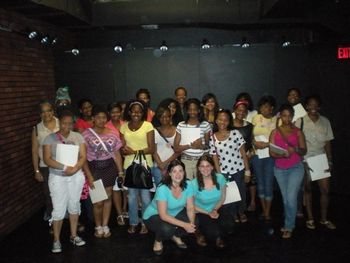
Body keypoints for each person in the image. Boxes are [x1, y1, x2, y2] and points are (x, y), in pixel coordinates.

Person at [43, 109, 86, 253]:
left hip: (75, 176)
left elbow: (83, 156)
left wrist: (74, 169)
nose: (67, 126)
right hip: (57, 177)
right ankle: (56, 240)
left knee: (74, 205)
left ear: (73, 123)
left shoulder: (78, 137)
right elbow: (47, 159)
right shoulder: (50, 138)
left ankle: (74, 235)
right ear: (59, 122)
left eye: (70, 123)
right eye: (64, 123)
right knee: (59, 209)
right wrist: (66, 167)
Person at [83, 105, 124, 238]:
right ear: (93, 118)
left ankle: (105, 225)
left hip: (110, 167)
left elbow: (117, 154)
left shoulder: (113, 132)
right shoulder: (86, 134)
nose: (101, 120)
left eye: (103, 117)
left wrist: (120, 171)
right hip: (94, 168)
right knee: (98, 201)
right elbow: (82, 157)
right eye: (98, 117)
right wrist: (88, 175)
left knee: (108, 197)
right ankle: (98, 226)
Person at [296, 95, 336, 230]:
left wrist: (329, 160)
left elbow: (327, 142)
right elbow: (295, 142)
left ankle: (324, 219)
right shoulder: (300, 121)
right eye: (310, 105)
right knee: (307, 190)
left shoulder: (325, 121)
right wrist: (300, 160)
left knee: (325, 191)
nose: (313, 107)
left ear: (319, 107)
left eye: (315, 105)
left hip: (320, 158)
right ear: (306, 106)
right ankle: (310, 218)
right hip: (305, 158)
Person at [143, 160, 196, 255]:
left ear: (184, 172)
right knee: (167, 229)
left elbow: (190, 208)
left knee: (195, 222)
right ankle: (158, 240)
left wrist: (191, 224)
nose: (178, 174)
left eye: (180, 171)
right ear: (170, 174)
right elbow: (163, 216)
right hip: (155, 214)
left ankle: (175, 235)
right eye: (174, 171)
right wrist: (184, 225)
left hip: (174, 213)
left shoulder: (188, 185)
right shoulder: (162, 188)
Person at [269, 104, 306, 239]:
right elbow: (272, 153)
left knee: (290, 197)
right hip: (279, 169)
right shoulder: (275, 132)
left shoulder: (298, 132)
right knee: (286, 200)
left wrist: (294, 149)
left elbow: (304, 150)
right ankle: (288, 223)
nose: (287, 118)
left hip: (296, 167)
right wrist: (282, 155)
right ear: (280, 116)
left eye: (289, 115)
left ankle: (289, 226)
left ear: (292, 116)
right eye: (284, 115)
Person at [120, 100, 155, 234]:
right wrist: (123, 149)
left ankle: (146, 223)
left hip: (145, 165)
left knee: (146, 197)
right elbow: (122, 146)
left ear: (143, 113)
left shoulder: (148, 126)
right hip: (129, 166)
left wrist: (134, 152)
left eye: (139, 111)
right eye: (133, 111)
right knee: (132, 197)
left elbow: (151, 149)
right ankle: (134, 222)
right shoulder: (124, 127)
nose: (136, 113)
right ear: (129, 112)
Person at [210, 109, 251, 223]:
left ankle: (241, 212)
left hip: (239, 169)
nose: (223, 122)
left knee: (241, 192)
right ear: (216, 121)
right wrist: (219, 175)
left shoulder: (235, 133)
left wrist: (247, 171)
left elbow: (243, 152)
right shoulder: (213, 137)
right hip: (224, 171)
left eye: (226, 120)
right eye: (220, 119)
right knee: (229, 195)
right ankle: (233, 214)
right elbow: (215, 157)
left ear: (229, 121)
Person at [192, 155, 230, 248]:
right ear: (198, 168)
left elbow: (223, 197)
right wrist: (208, 213)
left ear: (212, 167)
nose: (205, 169)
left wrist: (215, 210)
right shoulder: (193, 183)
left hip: (216, 207)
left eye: (208, 165)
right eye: (202, 166)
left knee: (230, 225)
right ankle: (200, 231)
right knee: (213, 233)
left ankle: (217, 233)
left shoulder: (220, 178)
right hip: (201, 211)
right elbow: (190, 205)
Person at [31, 100, 59, 223]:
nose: (46, 114)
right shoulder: (37, 129)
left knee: (67, 192)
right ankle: (52, 219)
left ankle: (70, 218)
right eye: (43, 112)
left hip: (63, 165)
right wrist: (36, 170)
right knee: (49, 194)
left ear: (53, 111)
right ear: (39, 114)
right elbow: (34, 151)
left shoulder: (61, 123)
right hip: (46, 167)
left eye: (48, 110)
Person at [251, 95, 277, 222]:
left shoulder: (277, 120)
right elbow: (249, 134)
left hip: (271, 156)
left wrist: (266, 144)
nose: (264, 109)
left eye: (267, 106)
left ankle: (267, 212)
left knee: (269, 183)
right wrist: (255, 143)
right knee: (260, 183)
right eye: (262, 106)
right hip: (257, 155)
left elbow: (280, 139)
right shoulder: (256, 118)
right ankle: (263, 208)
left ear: (272, 108)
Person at [174, 98, 211, 180]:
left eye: (195, 109)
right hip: (186, 161)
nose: (192, 112)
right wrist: (191, 145)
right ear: (187, 111)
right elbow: (176, 148)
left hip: (202, 162)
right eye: (190, 109)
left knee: (201, 187)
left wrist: (201, 146)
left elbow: (208, 147)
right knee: (188, 187)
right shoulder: (181, 125)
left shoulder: (205, 125)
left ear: (198, 110)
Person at [232, 100, 256, 212]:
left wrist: (251, 152)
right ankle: (234, 211)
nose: (241, 112)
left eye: (244, 111)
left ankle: (242, 210)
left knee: (243, 187)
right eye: (239, 110)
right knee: (233, 187)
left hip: (246, 160)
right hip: (231, 161)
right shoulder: (228, 124)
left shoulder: (250, 126)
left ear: (246, 113)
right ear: (235, 110)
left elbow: (252, 143)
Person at [106, 102, 128, 226]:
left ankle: (125, 209)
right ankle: (119, 213)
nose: (115, 114)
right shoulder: (105, 126)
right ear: (109, 113)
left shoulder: (125, 125)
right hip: (112, 161)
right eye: (113, 112)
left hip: (127, 159)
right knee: (116, 188)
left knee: (126, 187)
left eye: (117, 111)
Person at [152, 107, 179, 185]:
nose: (165, 119)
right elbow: (154, 150)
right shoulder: (154, 131)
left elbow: (179, 150)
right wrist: (160, 164)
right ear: (158, 118)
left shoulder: (177, 130)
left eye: (167, 116)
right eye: (162, 116)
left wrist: (165, 163)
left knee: (175, 189)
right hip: (158, 166)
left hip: (174, 166)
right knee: (160, 190)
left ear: (171, 117)